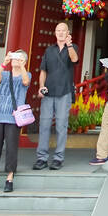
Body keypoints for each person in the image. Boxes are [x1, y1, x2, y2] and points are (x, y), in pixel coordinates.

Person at [0, 49, 31, 192]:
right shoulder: (5, 74)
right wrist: (4, 63)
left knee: (11, 148)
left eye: (19, 57)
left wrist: (21, 65)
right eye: (15, 57)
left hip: (13, 118)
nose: (16, 59)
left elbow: (25, 81)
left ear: (24, 61)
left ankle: (9, 178)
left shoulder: (26, 73)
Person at [35, 23, 79, 170]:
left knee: (61, 125)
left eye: (63, 31)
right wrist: (41, 86)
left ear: (68, 33)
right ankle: (42, 158)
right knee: (44, 125)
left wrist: (70, 45)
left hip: (64, 92)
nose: (61, 33)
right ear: (55, 33)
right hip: (49, 92)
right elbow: (43, 71)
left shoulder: (73, 48)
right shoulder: (49, 50)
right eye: (58, 31)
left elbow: (74, 60)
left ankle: (58, 158)